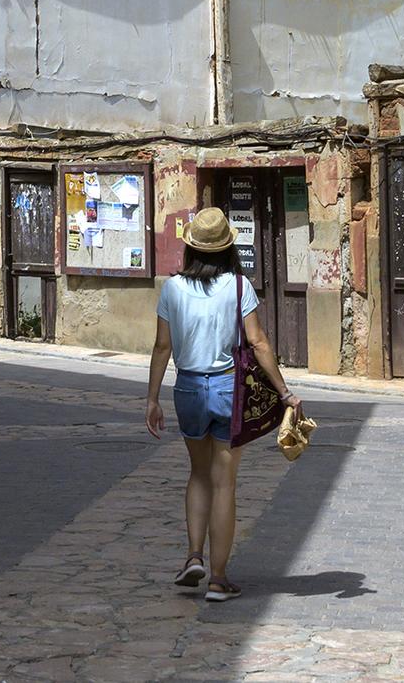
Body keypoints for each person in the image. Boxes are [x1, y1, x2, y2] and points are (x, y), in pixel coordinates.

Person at [145, 206, 299, 603]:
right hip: (229, 390)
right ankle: (218, 578)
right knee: (224, 483)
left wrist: (152, 398)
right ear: (227, 248)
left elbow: (163, 347)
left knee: (197, 475)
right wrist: (284, 392)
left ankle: (193, 555)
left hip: (188, 389)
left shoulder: (172, 289)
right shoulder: (237, 286)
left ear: (192, 248)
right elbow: (259, 342)